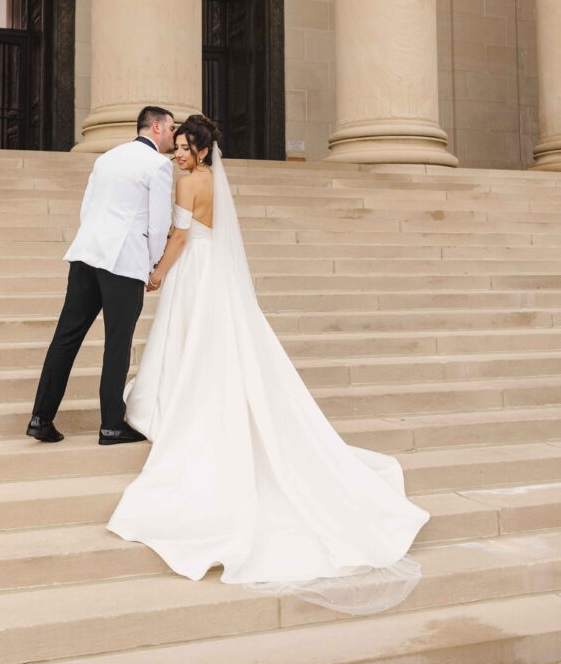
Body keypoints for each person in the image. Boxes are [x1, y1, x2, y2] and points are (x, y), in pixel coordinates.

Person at [106, 114, 430, 613]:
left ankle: (177, 403)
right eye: (179, 147)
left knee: (188, 339)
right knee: (205, 340)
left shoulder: (191, 181)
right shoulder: (210, 179)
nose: (180, 154)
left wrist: (156, 274)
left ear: (202, 152)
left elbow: (179, 237)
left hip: (193, 269)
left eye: (187, 148)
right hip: (214, 271)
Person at [26, 106, 175, 445]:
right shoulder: (158, 165)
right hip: (123, 261)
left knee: (66, 337)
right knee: (117, 343)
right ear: (155, 126)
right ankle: (111, 425)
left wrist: (93, 240)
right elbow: (158, 225)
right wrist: (152, 265)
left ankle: (40, 417)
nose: (172, 135)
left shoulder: (107, 158)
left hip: (86, 253)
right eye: (169, 128)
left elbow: (87, 207)